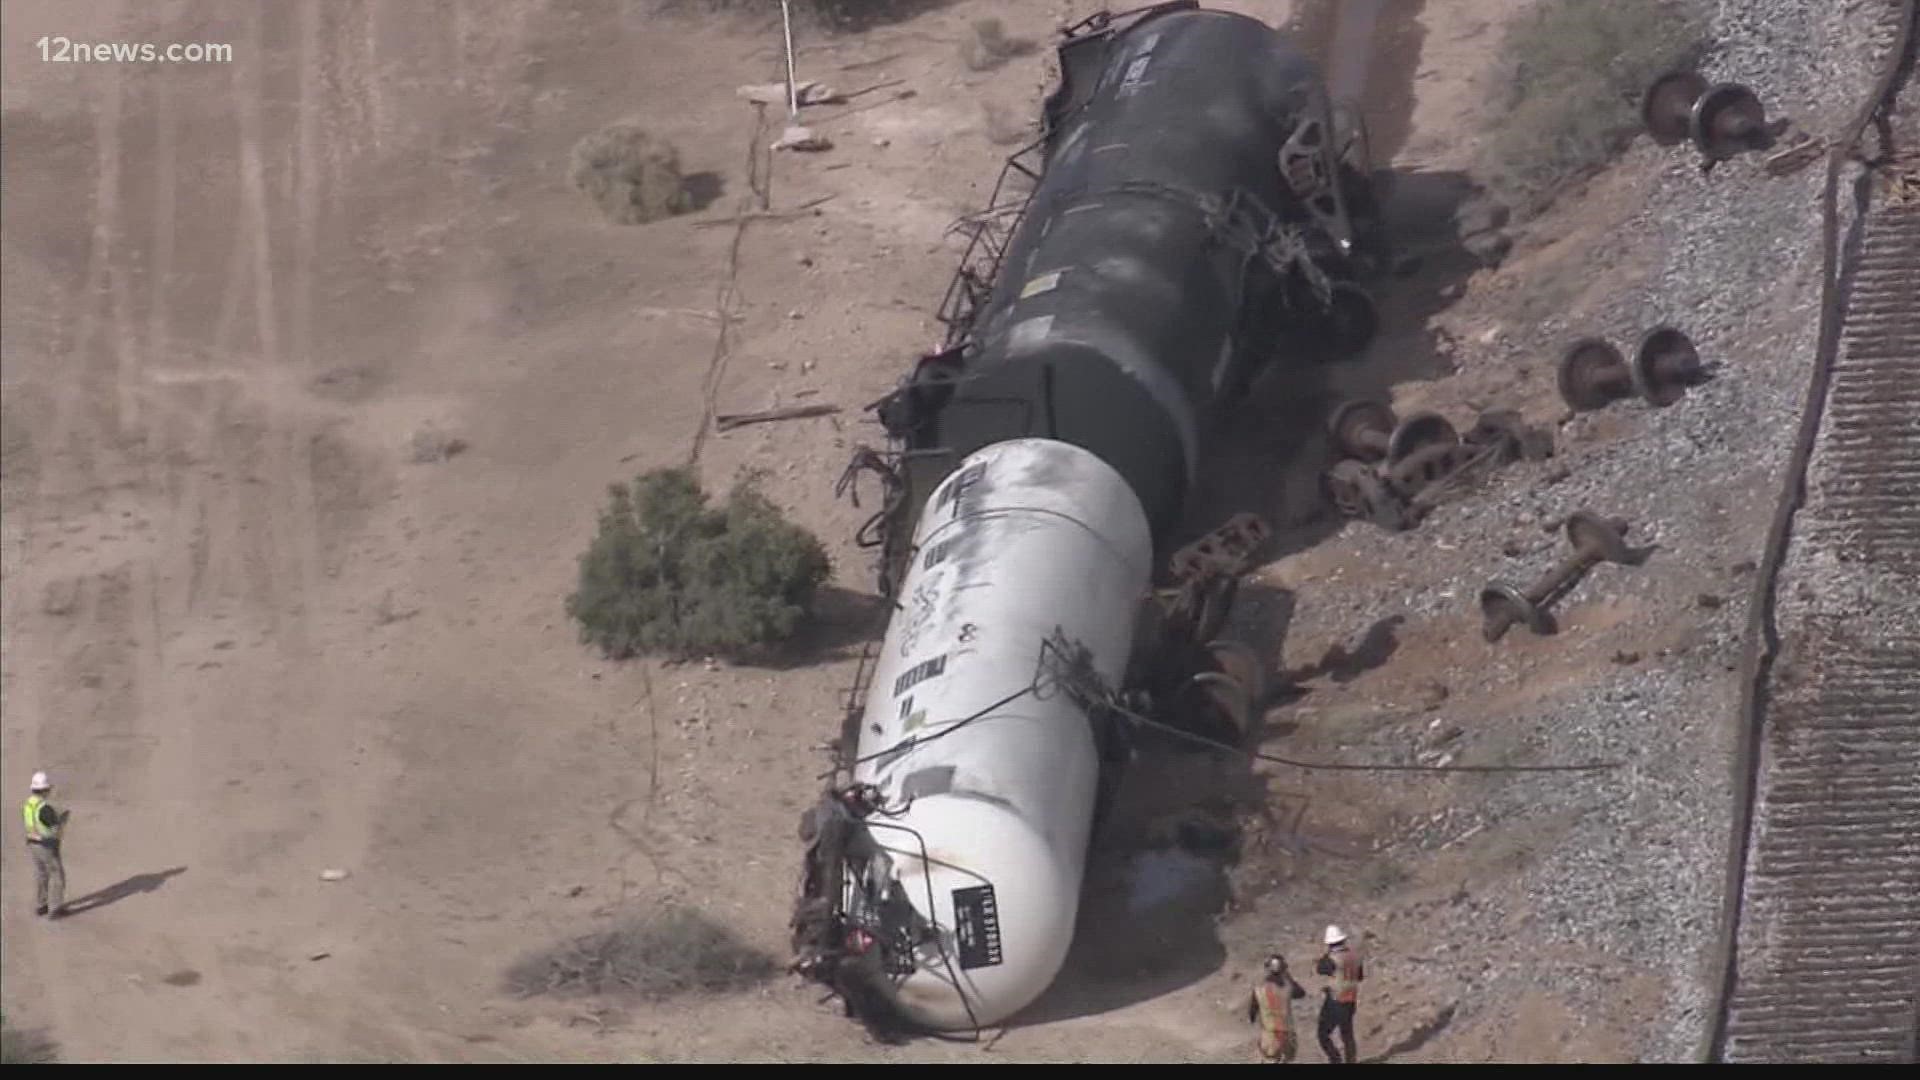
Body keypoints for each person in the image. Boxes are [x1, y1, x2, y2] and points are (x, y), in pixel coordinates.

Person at [1314, 924, 1365, 1063]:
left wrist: (1328, 954)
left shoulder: (1332, 959)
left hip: (1335, 1000)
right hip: (1351, 999)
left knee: (1323, 1034)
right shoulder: (1355, 956)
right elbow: (1359, 977)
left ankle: (1335, 1060)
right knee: (1347, 1034)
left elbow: (1320, 969)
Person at [1247, 953, 1308, 1063]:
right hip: (1287, 1037)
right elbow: (1301, 993)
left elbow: (1252, 1014)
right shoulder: (1288, 987)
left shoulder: (1259, 990)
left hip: (1269, 1037)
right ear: (1284, 970)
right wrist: (1289, 977)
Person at [23, 771, 68, 918]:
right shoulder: (45, 808)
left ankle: (41, 905)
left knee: (41, 874)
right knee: (57, 875)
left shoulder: (29, 803)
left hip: (32, 843)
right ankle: (56, 908)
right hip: (46, 845)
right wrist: (63, 820)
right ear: (45, 790)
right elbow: (56, 831)